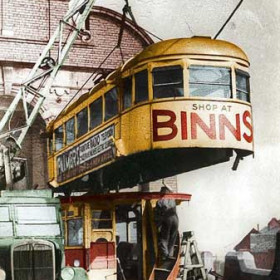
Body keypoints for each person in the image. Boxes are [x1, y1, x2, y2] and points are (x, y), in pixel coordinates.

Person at [155, 184, 179, 261]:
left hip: (167, 219)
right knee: (172, 238)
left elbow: (158, 214)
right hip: (175, 219)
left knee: (164, 238)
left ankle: (165, 255)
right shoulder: (173, 200)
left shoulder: (160, 201)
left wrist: (158, 224)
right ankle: (170, 254)